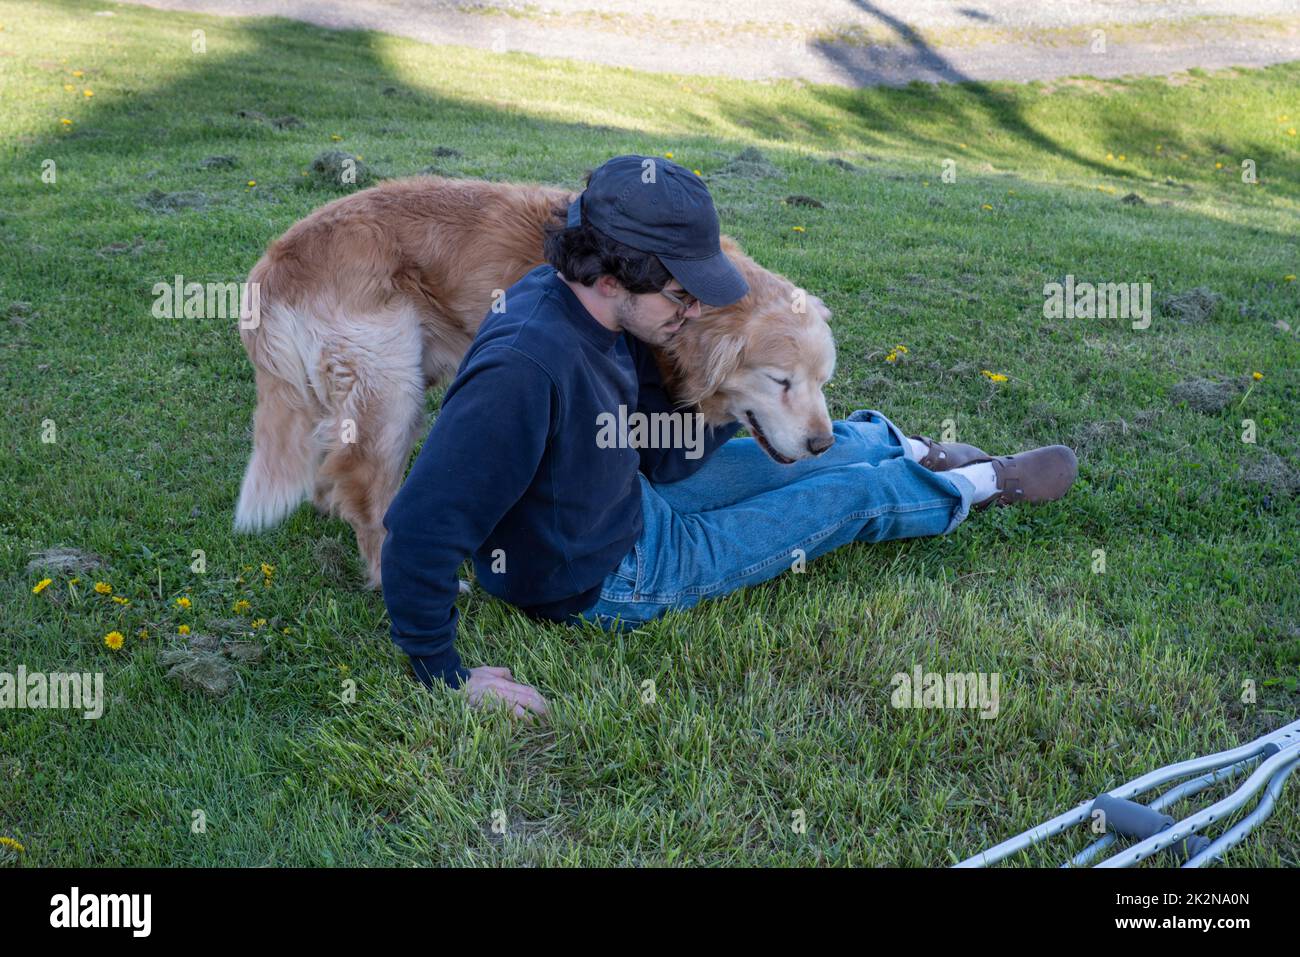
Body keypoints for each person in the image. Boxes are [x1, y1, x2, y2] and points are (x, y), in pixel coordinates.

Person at [379, 155, 1077, 720]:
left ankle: (900, 444)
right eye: (683, 295)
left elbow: (651, 446)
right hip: (605, 575)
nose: (693, 311)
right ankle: (980, 485)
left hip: (625, 495)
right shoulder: (525, 367)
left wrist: (717, 407)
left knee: (817, 456)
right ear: (620, 272)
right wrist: (445, 672)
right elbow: (420, 523)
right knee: (847, 500)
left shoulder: (589, 310)